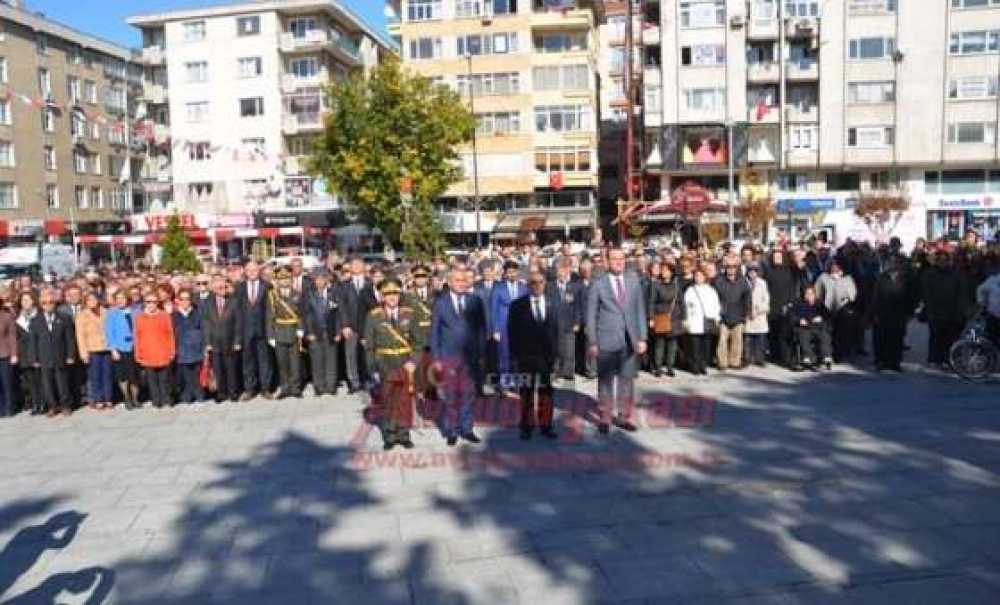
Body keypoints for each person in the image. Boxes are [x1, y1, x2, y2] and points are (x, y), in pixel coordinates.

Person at [585, 248, 648, 434]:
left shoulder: (633, 280)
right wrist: (593, 341)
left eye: (621, 258)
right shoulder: (598, 283)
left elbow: (640, 310)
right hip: (606, 339)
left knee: (626, 380)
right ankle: (605, 417)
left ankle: (623, 416)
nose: (619, 262)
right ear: (607, 261)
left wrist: (643, 337)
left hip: (630, 339)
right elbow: (590, 315)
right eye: (614, 259)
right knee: (605, 381)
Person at [430, 267, 486, 446]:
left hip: (470, 357)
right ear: (449, 282)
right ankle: (451, 430)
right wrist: (436, 359)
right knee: (451, 395)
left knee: (468, 394)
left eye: (464, 280)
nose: (461, 284)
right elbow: (434, 332)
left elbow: (481, 330)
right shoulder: (441, 303)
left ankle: (467, 428)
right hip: (448, 356)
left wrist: (481, 353)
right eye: (457, 280)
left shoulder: (476, 301)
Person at [365, 277, 419, 450]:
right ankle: (389, 435)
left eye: (395, 294)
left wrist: (414, 361)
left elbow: (419, 342)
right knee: (388, 400)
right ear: (382, 296)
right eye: (388, 294)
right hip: (384, 364)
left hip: (405, 363)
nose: (392, 298)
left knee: (404, 400)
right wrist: (372, 368)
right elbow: (370, 346)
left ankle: (404, 434)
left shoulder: (409, 314)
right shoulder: (373, 316)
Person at [509, 269, 559, 440]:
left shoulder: (554, 303)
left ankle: (546, 425)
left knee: (546, 393)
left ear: (545, 284)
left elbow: (559, 332)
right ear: (528, 285)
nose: (537, 286)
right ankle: (526, 426)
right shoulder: (517, 305)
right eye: (533, 283)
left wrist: (558, 357)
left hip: (547, 358)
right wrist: (514, 357)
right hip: (525, 357)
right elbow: (512, 333)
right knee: (526, 393)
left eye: (540, 282)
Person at [30, 290, 76, 416]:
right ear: (41, 304)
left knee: (62, 383)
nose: (48, 305)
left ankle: (66, 405)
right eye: (44, 303)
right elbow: (33, 341)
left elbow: (70, 339)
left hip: (60, 355)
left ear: (54, 303)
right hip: (44, 357)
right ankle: (52, 406)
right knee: (47, 384)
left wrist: (70, 355)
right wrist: (34, 358)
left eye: (50, 302)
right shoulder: (35, 320)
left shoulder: (64, 318)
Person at [920, 251, 968, 367]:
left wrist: (959, 310)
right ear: (937, 261)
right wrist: (928, 309)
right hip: (935, 310)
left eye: (945, 260)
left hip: (951, 311)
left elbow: (960, 293)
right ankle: (933, 359)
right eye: (940, 260)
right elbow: (926, 293)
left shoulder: (955, 275)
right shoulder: (930, 274)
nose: (943, 262)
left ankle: (947, 358)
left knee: (948, 336)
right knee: (935, 335)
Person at [235, 261, 275, 400]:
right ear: (245, 272)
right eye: (249, 270)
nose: (252, 272)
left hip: (263, 329)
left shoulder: (267, 286)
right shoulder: (239, 288)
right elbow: (238, 311)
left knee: (265, 360)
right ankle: (250, 389)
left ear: (259, 271)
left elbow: (270, 309)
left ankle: (266, 388)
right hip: (246, 331)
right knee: (248, 361)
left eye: (254, 270)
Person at [872, 256, 918, 372]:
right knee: (882, 337)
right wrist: (875, 312)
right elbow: (875, 297)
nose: (894, 265)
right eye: (892, 263)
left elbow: (911, 296)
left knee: (897, 338)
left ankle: (895, 362)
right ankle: (881, 361)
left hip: (900, 312)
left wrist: (910, 312)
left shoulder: (906, 279)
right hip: (883, 312)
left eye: (897, 263)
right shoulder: (882, 278)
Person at [202, 277, 243, 403]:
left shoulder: (234, 301)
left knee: (231, 369)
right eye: (220, 288)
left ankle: (233, 392)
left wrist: (237, 341)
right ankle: (221, 392)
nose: (223, 290)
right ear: (214, 289)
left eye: (225, 287)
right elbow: (206, 323)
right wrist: (208, 342)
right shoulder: (208, 303)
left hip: (230, 341)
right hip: (215, 342)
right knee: (218, 369)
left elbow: (238, 323)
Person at [339, 257, 377, 393]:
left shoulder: (371, 283)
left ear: (364, 266)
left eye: (358, 264)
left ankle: (368, 380)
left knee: (367, 354)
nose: (355, 267)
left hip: (368, 326)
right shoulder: (344, 285)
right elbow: (342, 307)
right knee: (351, 355)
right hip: (351, 326)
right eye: (353, 264)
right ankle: (354, 382)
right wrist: (344, 326)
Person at [266, 268, 305, 399]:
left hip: (293, 331)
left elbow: (301, 314)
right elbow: (269, 316)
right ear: (277, 280)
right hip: (279, 331)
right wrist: (270, 335)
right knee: (282, 363)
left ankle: (295, 388)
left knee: (295, 362)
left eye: (287, 279)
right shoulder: (272, 295)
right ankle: (285, 387)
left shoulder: (297, 293)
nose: (284, 281)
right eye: (282, 279)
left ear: (291, 280)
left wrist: (300, 328)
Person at [489, 260, 527, 394]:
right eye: (509, 272)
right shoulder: (498, 288)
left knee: (518, 357)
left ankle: (517, 384)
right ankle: (504, 384)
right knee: (503, 356)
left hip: (520, 329)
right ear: (504, 274)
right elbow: (493, 309)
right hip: (503, 326)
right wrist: (495, 330)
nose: (512, 274)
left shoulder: (524, 288)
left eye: (514, 272)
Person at [302, 269, 341, 397]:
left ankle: (330, 386)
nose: (319, 282)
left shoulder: (333, 294)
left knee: (331, 360)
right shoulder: (309, 294)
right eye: (317, 279)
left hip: (330, 331)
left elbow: (339, 315)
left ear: (326, 280)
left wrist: (338, 331)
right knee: (316, 360)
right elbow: (306, 315)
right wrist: (309, 332)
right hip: (315, 331)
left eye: (322, 279)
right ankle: (319, 386)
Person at [134, 292, 176, 408]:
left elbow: (170, 334)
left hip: (163, 352)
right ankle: (156, 400)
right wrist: (138, 354)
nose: (151, 304)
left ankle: (166, 398)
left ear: (158, 303)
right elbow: (137, 337)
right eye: (148, 302)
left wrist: (172, 351)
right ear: (144, 303)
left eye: (154, 302)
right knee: (152, 380)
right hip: (147, 353)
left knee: (164, 379)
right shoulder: (139, 317)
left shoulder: (164, 315)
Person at [546, 257, 582, 382]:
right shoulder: (549, 286)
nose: (559, 272)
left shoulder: (575, 286)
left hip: (569, 322)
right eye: (558, 269)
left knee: (569, 348)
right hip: (553, 322)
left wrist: (577, 322)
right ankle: (556, 370)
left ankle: (568, 371)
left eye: (562, 269)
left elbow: (578, 306)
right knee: (555, 348)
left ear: (568, 270)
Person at [815, 260, 859, 362]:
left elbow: (853, 295)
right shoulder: (823, 277)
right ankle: (827, 353)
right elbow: (818, 292)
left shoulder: (847, 279)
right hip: (826, 308)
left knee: (841, 333)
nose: (835, 268)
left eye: (837, 266)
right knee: (828, 332)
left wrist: (839, 281)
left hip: (843, 308)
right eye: (833, 266)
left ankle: (839, 354)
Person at [75, 292, 112, 410]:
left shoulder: (106, 312)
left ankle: (108, 398)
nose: (92, 302)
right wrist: (83, 353)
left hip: (106, 348)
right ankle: (98, 399)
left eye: (94, 299)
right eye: (89, 300)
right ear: (85, 302)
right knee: (95, 376)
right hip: (92, 349)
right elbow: (80, 336)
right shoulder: (81, 315)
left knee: (107, 374)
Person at [105, 289, 140, 410]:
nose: (121, 301)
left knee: (134, 375)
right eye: (118, 298)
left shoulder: (135, 311)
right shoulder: (112, 313)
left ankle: (135, 398)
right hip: (120, 348)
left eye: (123, 298)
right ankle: (127, 398)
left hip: (134, 347)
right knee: (123, 376)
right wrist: (113, 349)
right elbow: (109, 332)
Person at [682, 269, 721, 376]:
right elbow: (685, 306)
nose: (698, 278)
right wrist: (686, 319)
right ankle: (695, 366)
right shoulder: (690, 290)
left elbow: (716, 305)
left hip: (707, 321)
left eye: (700, 276)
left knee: (706, 346)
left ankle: (703, 365)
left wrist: (717, 318)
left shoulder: (711, 290)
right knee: (695, 346)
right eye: (696, 276)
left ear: (705, 277)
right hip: (694, 321)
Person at [714, 260, 750, 371]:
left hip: (738, 315)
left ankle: (735, 362)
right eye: (729, 267)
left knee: (737, 341)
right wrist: (717, 313)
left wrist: (746, 313)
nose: (731, 269)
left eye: (733, 267)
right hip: (723, 315)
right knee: (722, 341)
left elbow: (747, 298)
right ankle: (722, 362)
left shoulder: (743, 281)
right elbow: (715, 298)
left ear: (737, 268)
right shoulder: (719, 281)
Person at [646, 262, 682, 377]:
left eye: (667, 270)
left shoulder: (676, 285)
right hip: (660, 316)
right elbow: (651, 302)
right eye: (663, 270)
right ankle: (658, 367)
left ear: (672, 272)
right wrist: (651, 318)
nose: (664, 272)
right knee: (659, 344)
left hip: (674, 317)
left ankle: (670, 367)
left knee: (672, 345)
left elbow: (681, 302)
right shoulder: (656, 284)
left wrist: (684, 316)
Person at [173, 289, 206, 404]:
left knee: (196, 374)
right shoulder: (174, 316)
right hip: (182, 351)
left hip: (197, 349)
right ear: (178, 301)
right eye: (182, 299)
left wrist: (204, 347)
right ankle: (187, 394)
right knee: (186, 376)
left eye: (187, 299)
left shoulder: (198, 313)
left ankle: (198, 393)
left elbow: (203, 330)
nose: (185, 302)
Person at [793, 285, 833, 371]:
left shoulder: (819, 304)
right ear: (804, 295)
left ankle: (826, 356)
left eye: (811, 294)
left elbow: (828, 315)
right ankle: (807, 357)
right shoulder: (799, 304)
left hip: (817, 327)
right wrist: (799, 320)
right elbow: (792, 316)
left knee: (824, 336)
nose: (809, 296)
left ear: (815, 295)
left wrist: (821, 318)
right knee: (804, 336)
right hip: (805, 327)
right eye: (807, 294)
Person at [15, 292, 41, 415]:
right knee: (30, 382)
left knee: (42, 380)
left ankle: (45, 403)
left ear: (33, 301)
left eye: (28, 299)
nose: (25, 302)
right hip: (25, 355)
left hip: (39, 353)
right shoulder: (17, 319)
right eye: (23, 300)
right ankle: (36, 404)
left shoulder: (39, 315)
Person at [744, 264, 770, 367]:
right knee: (748, 338)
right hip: (748, 314)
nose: (752, 273)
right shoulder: (744, 282)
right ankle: (747, 358)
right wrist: (748, 311)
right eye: (750, 272)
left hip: (759, 314)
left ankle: (760, 359)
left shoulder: (762, 283)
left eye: (754, 271)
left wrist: (759, 310)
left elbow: (766, 298)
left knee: (760, 338)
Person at [0, 290, 16, 417]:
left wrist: (14, 354)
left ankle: (10, 408)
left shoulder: (6, 315)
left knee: (7, 383)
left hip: (4, 354)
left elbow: (12, 336)